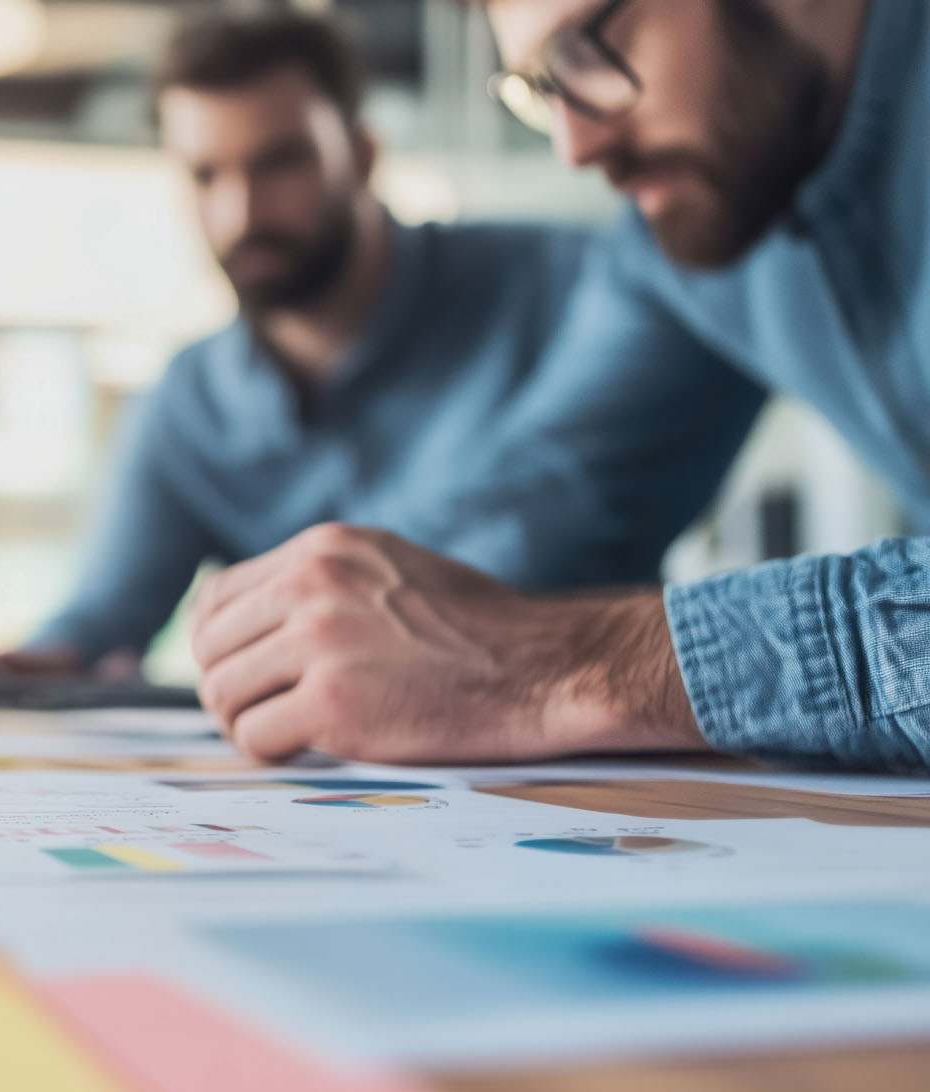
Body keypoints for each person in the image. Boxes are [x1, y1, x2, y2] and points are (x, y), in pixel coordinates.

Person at [192, 0, 930, 773]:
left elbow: (515, 638)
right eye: (543, 83)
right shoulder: (692, 230)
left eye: (588, 50)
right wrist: (323, 611)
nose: (575, 146)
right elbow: (548, 498)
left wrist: (562, 663)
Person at [0, 12, 763, 679]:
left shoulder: (580, 287)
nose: (242, 212)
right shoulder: (187, 401)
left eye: (281, 162)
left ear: (363, 154)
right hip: (327, 783)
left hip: (581, 756)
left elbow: (544, 519)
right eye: (205, 176)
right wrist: (7, 671)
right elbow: (97, 622)